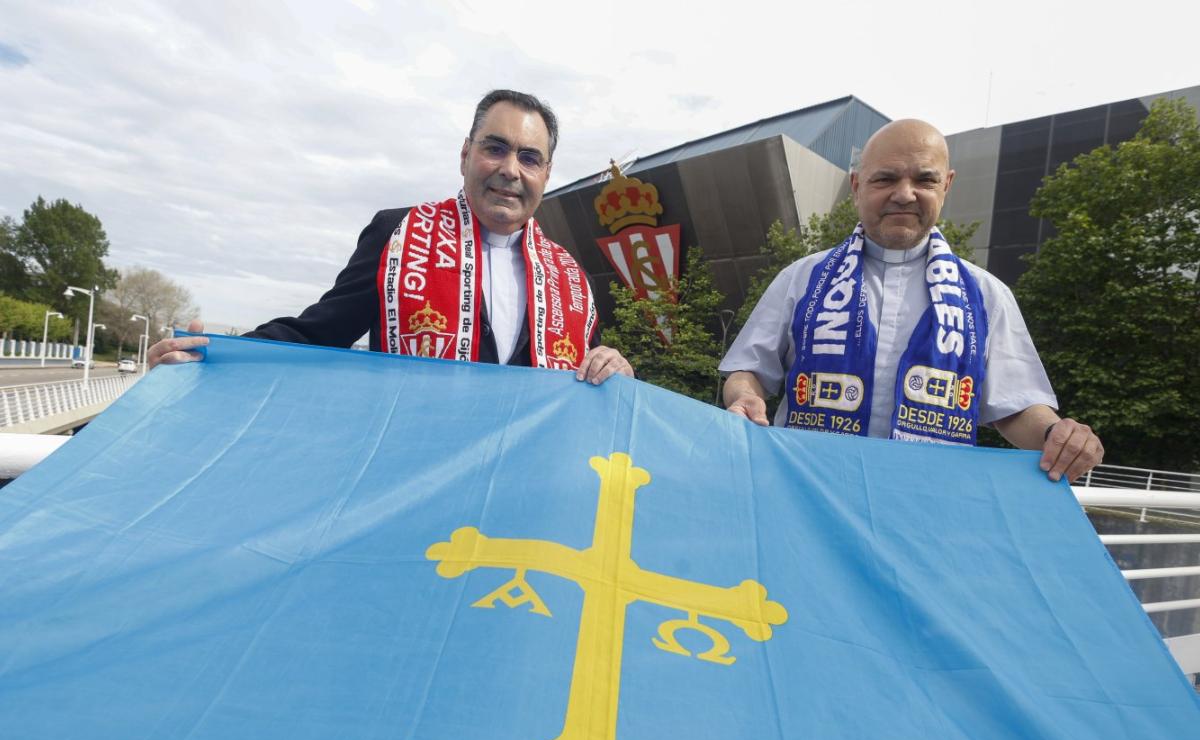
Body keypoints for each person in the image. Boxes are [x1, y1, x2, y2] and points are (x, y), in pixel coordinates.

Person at [149, 90, 633, 385]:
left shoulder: (566, 273)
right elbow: (317, 335)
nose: (510, 169)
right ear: (466, 153)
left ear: (545, 174)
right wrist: (212, 354)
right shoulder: (397, 234)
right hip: (411, 481)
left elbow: (587, 370)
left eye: (529, 157)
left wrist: (615, 369)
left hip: (525, 489)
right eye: (495, 148)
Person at [720, 119, 1103, 482]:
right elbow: (748, 371)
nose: (904, 194)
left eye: (924, 179)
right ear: (856, 187)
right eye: (885, 178)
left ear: (946, 186)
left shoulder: (986, 295)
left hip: (925, 505)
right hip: (805, 493)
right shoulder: (802, 279)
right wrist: (744, 398)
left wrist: (1059, 434)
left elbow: (1015, 407)